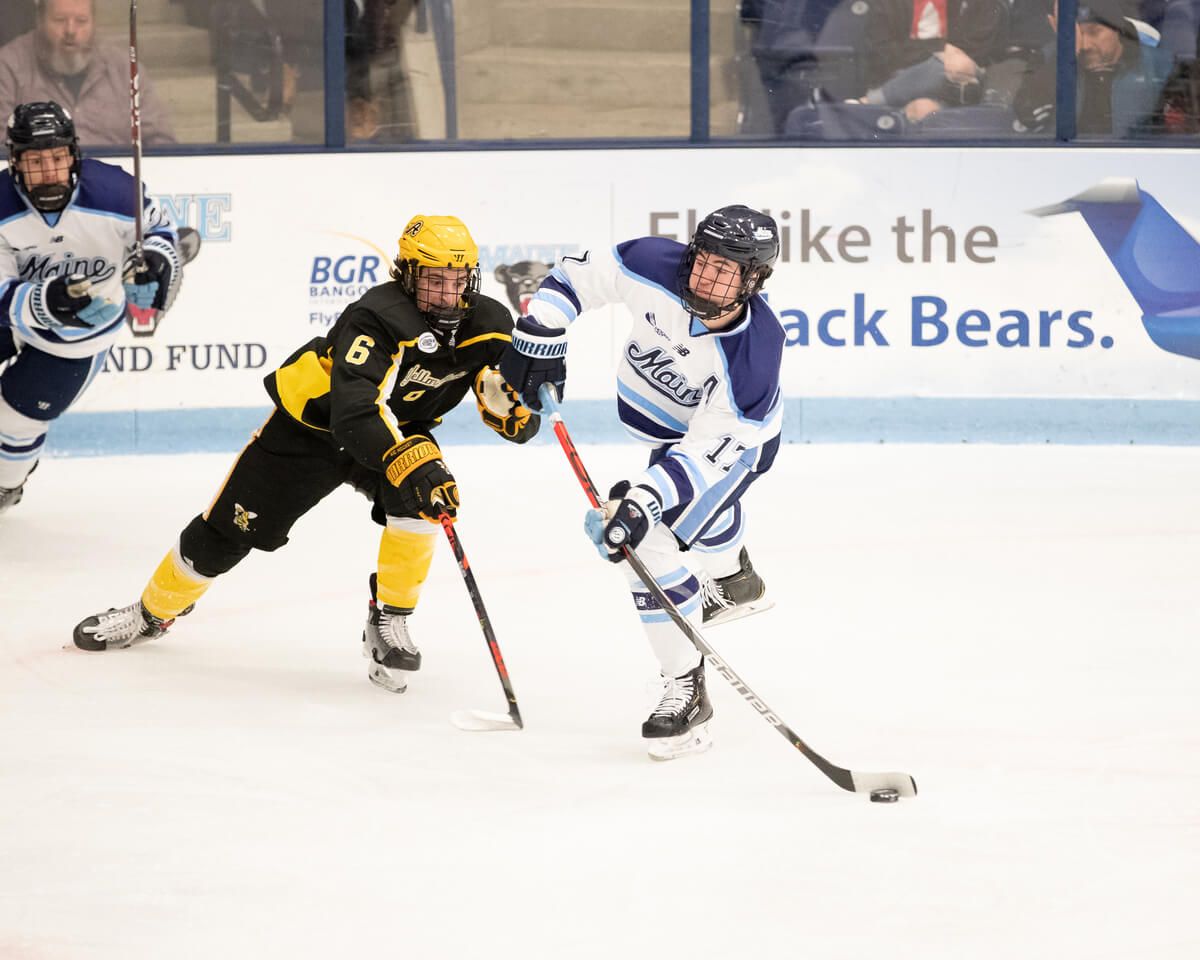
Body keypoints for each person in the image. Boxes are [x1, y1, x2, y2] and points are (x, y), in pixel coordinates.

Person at [72, 215, 539, 697]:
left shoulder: (488, 322)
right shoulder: (377, 316)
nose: (446, 294)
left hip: (401, 430)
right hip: (312, 428)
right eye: (434, 280)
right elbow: (355, 410)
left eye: (457, 281)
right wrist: (407, 461)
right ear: (408, 274)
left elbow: (496, 387)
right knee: (225, 534)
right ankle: (151, 613)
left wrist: (514, 408)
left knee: (425, 502)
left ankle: (389, 621)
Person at [499, 205, 784, 761]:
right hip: (670, 432)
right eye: (705, 261)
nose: (707, 277)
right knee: (690, 525)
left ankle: (686, 690)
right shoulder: (654, 261)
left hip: (732, 450)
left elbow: (707, 455)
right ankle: (737, 581)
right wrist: (542, 330)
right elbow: (577, 277)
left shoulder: (755, 354)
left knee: (646, 538)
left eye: (728, 271)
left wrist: (642, 502)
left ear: (754, 280)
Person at [0, 100, 183, 515]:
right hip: (10, 315)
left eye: (58, 157)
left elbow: (161, 231)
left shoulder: (117, 193)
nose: (49, 170)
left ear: (73, 155)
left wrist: (157, 260)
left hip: (77, 340)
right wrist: (47, 302)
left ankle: (6, 486)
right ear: (14, 162)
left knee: (13, 420)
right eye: (35, 160)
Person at [0, 0, 176, 147]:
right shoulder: (8, 65)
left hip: (113, 179)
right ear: (40, 20)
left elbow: (160, 142)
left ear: (94, 23)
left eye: (81, 21)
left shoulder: (123, 68)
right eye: (60, 20)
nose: (70, 30)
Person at [1013, 0, 1175, 135]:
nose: (1085, 44)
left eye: (1094, 32)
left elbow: (1180, 132)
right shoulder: (1046, 60)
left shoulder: (1161, 67)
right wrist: (1064, 56)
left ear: (1117, 29)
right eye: (1075, 33)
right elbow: (1026, 120)